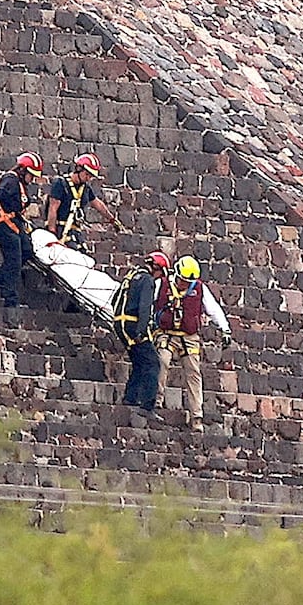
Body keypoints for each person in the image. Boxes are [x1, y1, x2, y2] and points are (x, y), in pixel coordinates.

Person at [152, 255, 232, 431]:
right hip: (166, 333)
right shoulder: (162, 284)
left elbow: (213, 309)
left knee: (194, 373)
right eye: (183, 281)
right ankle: (155, 400)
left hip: (189, 337)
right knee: (162, 360)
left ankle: (196, 415)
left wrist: (225, 329)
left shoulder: (199, 289)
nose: (185, 285)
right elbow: (150, 304)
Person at [115, 251, 169, 416]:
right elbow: (145, 307)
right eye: (160, 274)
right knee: (153, 363)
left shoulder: (131, 275)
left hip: (120, 324)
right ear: (156, 268)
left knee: (139, 362)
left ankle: (130, 397)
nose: (159, 278)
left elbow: (115, 298)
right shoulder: (147, 280)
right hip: (133, 325)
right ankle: (147, 406)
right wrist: (142, 331)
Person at [0, 153, 43, 307]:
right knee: (14, 260)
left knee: (27, 251)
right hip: (3, 224)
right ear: (23, 170)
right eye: (31, 175)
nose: (32, 179)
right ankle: (10, 297)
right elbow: (1, 193)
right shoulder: (10, 180)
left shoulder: (18, 183)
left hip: (14, 222)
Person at [44, 152, 125, 253]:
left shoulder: (85, 188)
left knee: (84, 256)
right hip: (60, 229)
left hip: (75, 232)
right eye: (87, 174)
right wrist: (52, 234)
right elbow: (53, 208)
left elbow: (98, 205)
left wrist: (112, 220)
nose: (88, 178)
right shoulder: (60, 184)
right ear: (78, 169)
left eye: (90, 176)